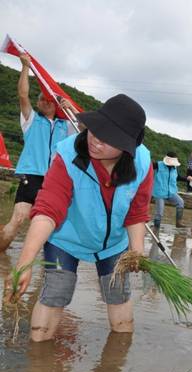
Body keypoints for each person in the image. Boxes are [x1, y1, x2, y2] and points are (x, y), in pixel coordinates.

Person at [9, 94, 153, 342]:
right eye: (96, 131)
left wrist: (137, 252)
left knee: (118, 294)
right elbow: (47, 210)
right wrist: (25, 263)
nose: (96, 141)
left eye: (108, 139)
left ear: (127, 147)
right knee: (56, 291)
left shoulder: (142, 163)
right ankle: (38, 361)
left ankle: (114, 369)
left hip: (112, 245)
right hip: (65, 238)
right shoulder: (67, 155)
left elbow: (136, 212)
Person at [0, 53, 76, 252]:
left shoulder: (66, 125)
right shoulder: (31, 120)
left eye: (49, 99)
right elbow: (23, 95)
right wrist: (25, 67)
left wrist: (73, 111)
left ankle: (48, 270)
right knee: (17, 219)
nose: (44, 101)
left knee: (54, 225)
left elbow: (87, 132)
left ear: (55, 104)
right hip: (31, 175)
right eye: (41, 98)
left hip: (55, 179)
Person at [152, 151, 188, 229]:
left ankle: (178, 223)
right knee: (159, 212)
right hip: (159, 192)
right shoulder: (157, 165)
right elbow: (146, 169)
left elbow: (177, 177)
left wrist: (187, 179)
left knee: (180, 202)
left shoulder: (175, 168)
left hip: (171, 192)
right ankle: (156, 228)